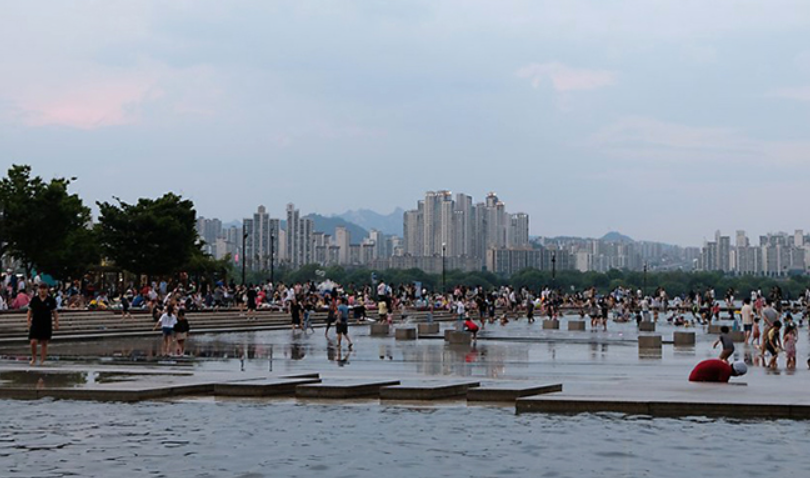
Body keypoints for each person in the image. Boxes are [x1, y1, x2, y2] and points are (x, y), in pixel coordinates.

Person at [27, 283, 59, 366]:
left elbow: (54, 312)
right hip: (35, 323)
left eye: (44, 289)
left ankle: (42, 360)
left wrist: (56, 322)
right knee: (33, 341)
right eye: (40, 289)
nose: (42, 291)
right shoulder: (34, 299)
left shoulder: (51, 300)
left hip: (46, 323)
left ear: (47, 290)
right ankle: (34, 358)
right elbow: (30, 311)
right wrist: (28, 320)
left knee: (44, 342)